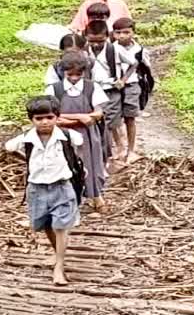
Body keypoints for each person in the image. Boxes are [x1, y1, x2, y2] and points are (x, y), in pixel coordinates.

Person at [5, 96, 84, 286]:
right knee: (45, 224)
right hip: (37, 188)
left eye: (49, 117)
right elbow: (8, 148)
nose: (45, 122)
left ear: (57, 117)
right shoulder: (26, 139)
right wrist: (26, 157)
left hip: (62, 186)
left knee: (61, 226)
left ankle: (59, 266)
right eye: (39, 119)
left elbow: (77, 150)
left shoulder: (67, 136)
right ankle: (58, 253)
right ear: (31, 120)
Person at [45, 51, 109, 212]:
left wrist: (68, 119)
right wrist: (81, 117)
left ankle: (95, 196)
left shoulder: (92, 87)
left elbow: (97, 113)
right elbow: (52, 116)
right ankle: (68, 200)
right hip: (63, 135)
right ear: (63, 72)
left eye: (78, 74)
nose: (74, 78)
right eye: (70, 74)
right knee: (65, 165)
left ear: (85, 72)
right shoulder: (54, 90)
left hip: (87, 136)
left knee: (91, 165)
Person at [85, 19, 136, 168]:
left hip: (111, 90)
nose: (95, 45)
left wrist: (123, 79)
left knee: (110, 123)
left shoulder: (114, 50)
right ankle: (106, 152)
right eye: (92, 41)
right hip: (93, 91)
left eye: (100, 41)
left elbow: (133, 63)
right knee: (98, 123)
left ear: (107, 36)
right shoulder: (84, 51)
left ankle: (109, 154)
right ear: (86, 37)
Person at [112, 17, 151, 163]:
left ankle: (131, 150)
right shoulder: (111, 48)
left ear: (133, 32)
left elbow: (146, 68)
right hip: (114, 86)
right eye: (118, 32)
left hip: (132, 85)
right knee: (114, 119)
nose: (122, 36)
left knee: (130, 117)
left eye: (126, 32)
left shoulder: (140, 50)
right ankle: (120, 147)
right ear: (113, 34)